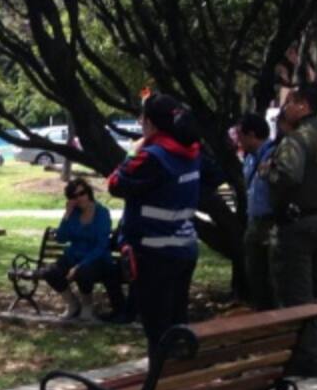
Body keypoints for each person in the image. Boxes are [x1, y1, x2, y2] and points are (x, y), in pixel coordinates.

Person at [108, 93, 202, 355]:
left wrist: (132, 150)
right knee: (177, 322)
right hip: (184, 247)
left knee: (158, 330)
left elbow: (115, 183)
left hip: (154, 253)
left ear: (150, 123)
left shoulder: (152, 157)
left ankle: (161, 388)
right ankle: (179, 382)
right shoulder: (193, 152)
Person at [266, 86, 317, 376]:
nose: (284, 109)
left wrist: (267, 172)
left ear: (302, 105)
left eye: (289, 103)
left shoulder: (296, 140)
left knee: (298, 294)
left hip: (300, 225)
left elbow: (288, 176)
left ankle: (304, 358)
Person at [42, 178, 114, 321]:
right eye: (74, 196)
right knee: (50, 272)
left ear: (89, 193)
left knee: (83, 272)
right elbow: (61, 238)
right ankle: (72, 304)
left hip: (96, 259)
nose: (79, 198)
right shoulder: (73, 214)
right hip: (73, 256)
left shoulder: (102, 213)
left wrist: (80, 266)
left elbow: (101, 246)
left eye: (82, 193)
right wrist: (67, 214)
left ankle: (87, 307)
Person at [237, 113, 277, 311]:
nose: (239, 141)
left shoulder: (274, 154)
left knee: (272, 280)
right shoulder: (250, 159)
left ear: (251, 135)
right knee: (256, 278)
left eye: (240, 136)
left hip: (270, 223)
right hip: (254, 221)